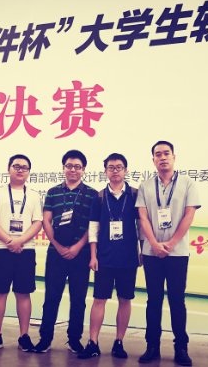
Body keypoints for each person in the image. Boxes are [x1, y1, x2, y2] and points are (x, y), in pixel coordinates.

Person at [136, 141, 201, 366]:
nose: (162, 157)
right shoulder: (145, 186)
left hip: (178, 253)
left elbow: (189, 215)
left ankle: (181, 347)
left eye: (166, 153)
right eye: (158, 154)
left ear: (174, 157)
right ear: (153, 159)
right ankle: (152, 346)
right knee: (153, 300)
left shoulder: (188, 184)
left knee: (177, 300)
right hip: (151, 252)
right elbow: (143, 217)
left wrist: (171, 243)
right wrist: (154, 244)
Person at [32, 150, 98, 354]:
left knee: (78, 299)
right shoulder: (53, 192)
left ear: (83, 170)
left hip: (81, 254)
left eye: (77, 167)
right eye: (69, 166)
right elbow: (46, 221)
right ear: (63, 168)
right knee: (52, 297)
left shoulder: (92, 194)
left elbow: (93, 225)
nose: (73, 170)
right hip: (56, 253)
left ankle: (74, 339)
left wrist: (78, 247)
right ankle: (45, 339)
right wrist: (58, 246)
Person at [78, 153, 140, 360]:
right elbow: (93, 228)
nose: (115, 171)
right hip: (104, 257)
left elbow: (141, 226)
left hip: (128, 258)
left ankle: (119, 341)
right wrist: (93, 255)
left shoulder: (135, 195)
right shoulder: (99, 197)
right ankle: (93, 342)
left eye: (119, 167)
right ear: (105, 171)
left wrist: (141, 252)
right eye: (111, 167)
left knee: (125, 299)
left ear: (126, 170)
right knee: (99, 299)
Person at [0, 154, 43, 352]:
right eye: (16, 166)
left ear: (29, 172)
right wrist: (8, 240)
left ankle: (24, 336)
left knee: (23, 293)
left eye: (24, 167)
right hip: (0, 249)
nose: (20, 170)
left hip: (26, 250)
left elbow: (38, 222)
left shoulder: (34, 196)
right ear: (9, 169)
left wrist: (20, 241)